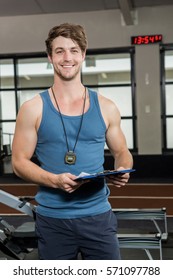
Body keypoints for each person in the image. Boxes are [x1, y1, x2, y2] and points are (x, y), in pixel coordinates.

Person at [12, 22, 133, 260]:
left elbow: (122, 151)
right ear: (50, 57)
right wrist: (54, 180)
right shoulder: (32, 108)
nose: (67, 57)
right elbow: (18, 162)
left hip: (98, 218)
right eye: (60, 51)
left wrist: (123, 167)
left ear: (83, 55)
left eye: (74, 50)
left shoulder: (107, 107)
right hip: (53, 221)